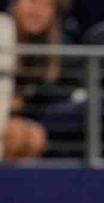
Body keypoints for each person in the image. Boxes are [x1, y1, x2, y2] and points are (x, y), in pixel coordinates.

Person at [3, 0, 57, 160]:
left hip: (30, 119)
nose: (38, 12)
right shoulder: (3, 36)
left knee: (34, 137)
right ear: (13, 5)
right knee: (15, 135)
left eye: (47, 5)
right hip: (5, 117)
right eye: (32, 2)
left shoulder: (58, 47)